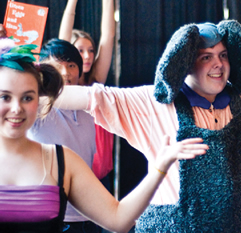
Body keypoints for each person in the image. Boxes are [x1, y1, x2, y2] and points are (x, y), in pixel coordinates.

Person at [53, 20, 241, 232]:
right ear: (184, 62)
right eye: (206, 57)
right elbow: (91, 97)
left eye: (223, 55)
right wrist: (30, 93)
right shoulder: (154, 103)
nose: (218, 64)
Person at [0, 39, 208, 233]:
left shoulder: (61, 160)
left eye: (27, 97)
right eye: (5, 97)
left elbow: (118, 219)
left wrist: (160, 167)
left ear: (40, 101)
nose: (17, 108)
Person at [25, 38, 104, 232]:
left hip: (89, 215)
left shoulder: (89, 106)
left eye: (71, 65)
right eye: (57, 65)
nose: (65, 73)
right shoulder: (35, 107)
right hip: (45, 217)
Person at [59, 0, 115, 187]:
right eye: (80, 51)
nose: (88, 56)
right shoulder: (63, 85)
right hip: (71, 174)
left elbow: (108, 37)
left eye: (91, 51)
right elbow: (62, 41)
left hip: (99, 177)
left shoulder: (95, 82)